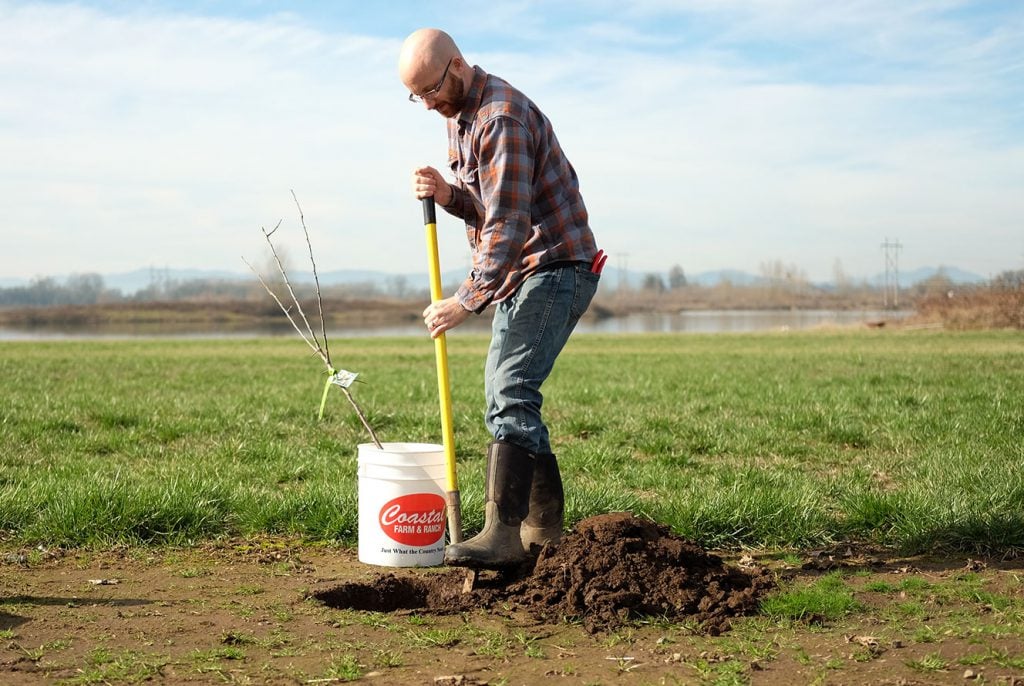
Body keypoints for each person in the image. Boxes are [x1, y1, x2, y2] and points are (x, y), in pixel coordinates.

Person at [398, 28, 601, 568]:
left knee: (509, 387)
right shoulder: (460, 119)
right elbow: (489, 207)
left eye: (432, 90)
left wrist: (464, 301)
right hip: (524, 273)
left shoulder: (500, 118)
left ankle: (503, 535)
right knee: (507, 392)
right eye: (416, 96)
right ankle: (543, 532)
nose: (428, 104)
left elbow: (510, 224)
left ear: (458, 66)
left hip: (554, 266)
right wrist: (448, 195)